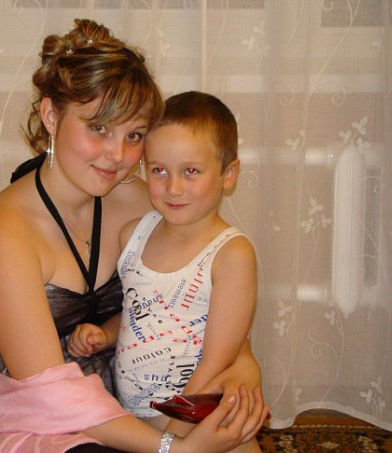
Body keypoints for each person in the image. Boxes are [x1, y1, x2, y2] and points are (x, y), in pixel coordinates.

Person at [0, 19, 268, 453]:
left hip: (127, 407)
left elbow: (207, 297)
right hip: (24, 418)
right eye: (99, 128)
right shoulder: (5, 232)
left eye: (134, 136)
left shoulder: (142, 201)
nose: (117, 155)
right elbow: (50, 393)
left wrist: (243, 365)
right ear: (51, 115)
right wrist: (175, 448)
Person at [67, 91, 262, 452]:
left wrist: (175, 433)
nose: (173, 188)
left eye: (191, 171)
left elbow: (218, 359)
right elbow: (139, 312)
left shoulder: (231, 254)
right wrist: (106, 335)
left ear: (229, 174)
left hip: (205, 418)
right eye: (159, 170)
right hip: (140, 418)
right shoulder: (134, 235)